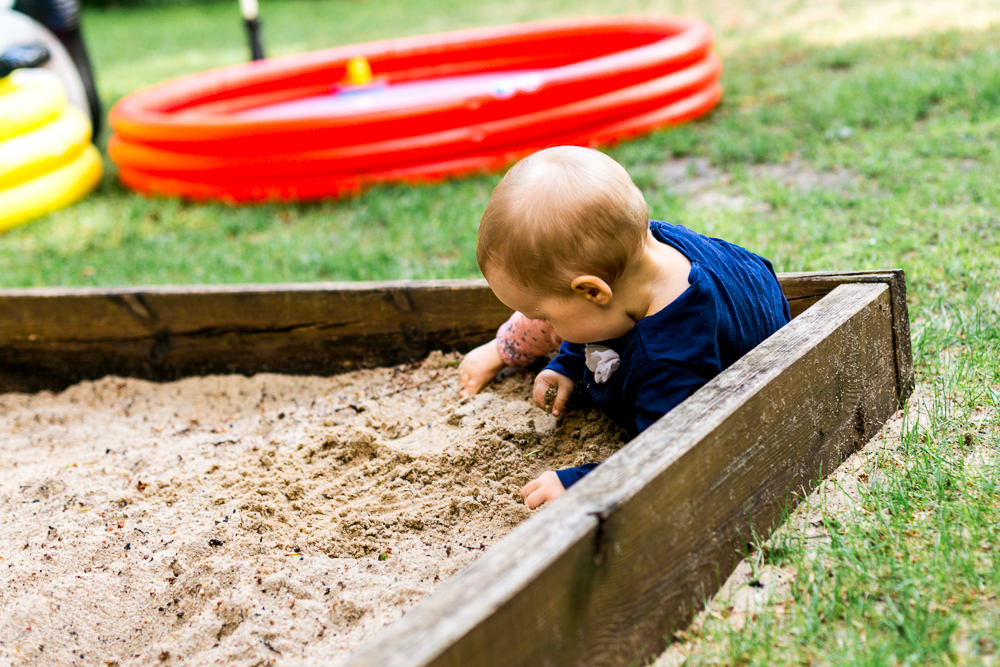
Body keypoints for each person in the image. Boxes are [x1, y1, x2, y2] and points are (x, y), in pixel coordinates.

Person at [474, 145, 791, 509]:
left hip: (734, 379)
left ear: (592, 290)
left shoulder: (669, 360)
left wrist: (579, 484)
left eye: (544, 317)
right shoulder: (647, 250)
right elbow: (598, 317)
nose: (541, 325)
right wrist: (568, 363)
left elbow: (665, 457)